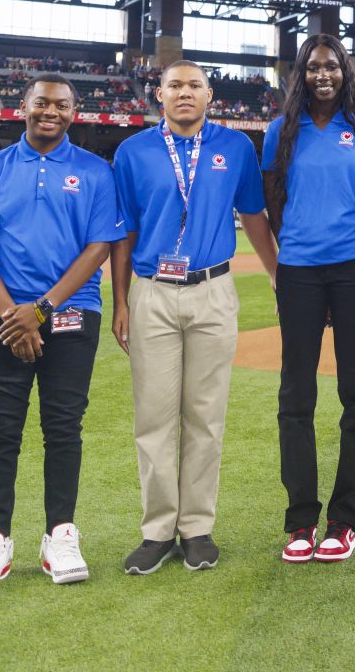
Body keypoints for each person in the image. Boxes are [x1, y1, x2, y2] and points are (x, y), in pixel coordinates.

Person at [0, 75, 124, 593]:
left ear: (75, 112)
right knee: (0, 431)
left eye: (62, 105)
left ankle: (60, 535)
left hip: (71, 314)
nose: (51, 111)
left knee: (64, 428)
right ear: (22, 107)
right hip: (1, 319)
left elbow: (98, 248)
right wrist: (14, 316)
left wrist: (41, 310)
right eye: (42, 102)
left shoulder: (95, 171)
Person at [110, 59, 279, 575]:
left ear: (211, 96)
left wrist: (277, 276)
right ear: (158, 95)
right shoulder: (132, 150)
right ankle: (157, 530)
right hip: (153, 293)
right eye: (175, 86)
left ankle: (197, 527)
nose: (185, 93)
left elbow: (253, 215)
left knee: (205, 415)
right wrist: (119, 301)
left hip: (213, 290)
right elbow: (124, 232)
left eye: (195, 86)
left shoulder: (235, 147)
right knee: (155, 417)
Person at [263, 33, 355, 563]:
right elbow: (274, 204)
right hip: (299, 270)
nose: (323, 75)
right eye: (313, 67)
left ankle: (344, 520)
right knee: (296, 395)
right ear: (301, 74)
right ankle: (300, 521)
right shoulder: (280, 132)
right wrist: (294, 247)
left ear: (345, 73)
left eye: (332, 66)